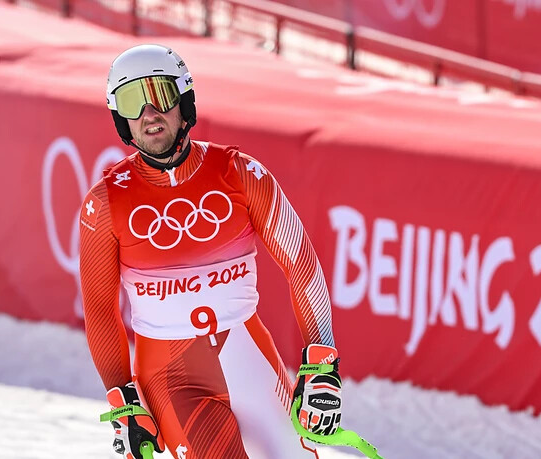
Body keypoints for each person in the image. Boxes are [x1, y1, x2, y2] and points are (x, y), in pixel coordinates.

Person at [79, 44, 343, 459]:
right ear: (120, 118)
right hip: (172, 379)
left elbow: (302, 264)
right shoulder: (105, 202)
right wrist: (123, 398)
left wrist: (322, 362)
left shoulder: (241, 173)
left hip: (251, 359)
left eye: (161, 95)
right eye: (132, 101)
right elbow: (99, 307)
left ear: (184, 102)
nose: (149, 113)